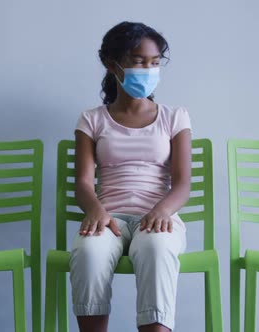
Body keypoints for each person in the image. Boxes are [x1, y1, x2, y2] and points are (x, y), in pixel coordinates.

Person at [69, 21, 192, 332]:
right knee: (88, 252)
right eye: (138, 62)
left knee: (156, 248)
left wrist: (162, 211)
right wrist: (96, 210)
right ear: (112, 64)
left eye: (154, 62)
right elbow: (83, 182)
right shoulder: (91, 119)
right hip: (108, 218)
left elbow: (182, 184)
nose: (148, 69)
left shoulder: (175, 117)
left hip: (157, 216)